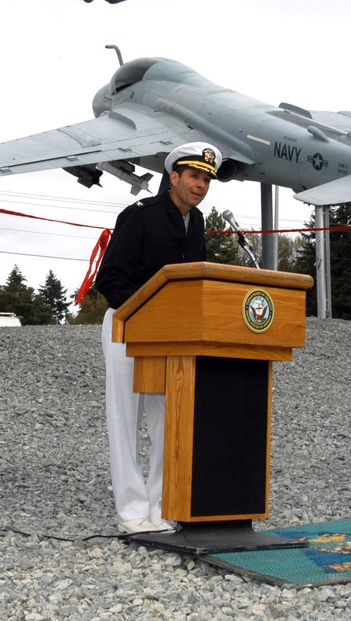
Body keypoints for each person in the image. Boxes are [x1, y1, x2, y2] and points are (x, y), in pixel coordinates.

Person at [95, 142, 222, 534]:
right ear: (174, 177)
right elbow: (110, 278)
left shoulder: (197, 221)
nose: (200, 185)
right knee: (125, 418)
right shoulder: (139, 217)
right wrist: (147, 314)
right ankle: (132, 511)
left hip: (172, 335)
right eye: (194, 176)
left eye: (206, 179)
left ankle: (163, 504)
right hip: (129, 327)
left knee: (169, 419)